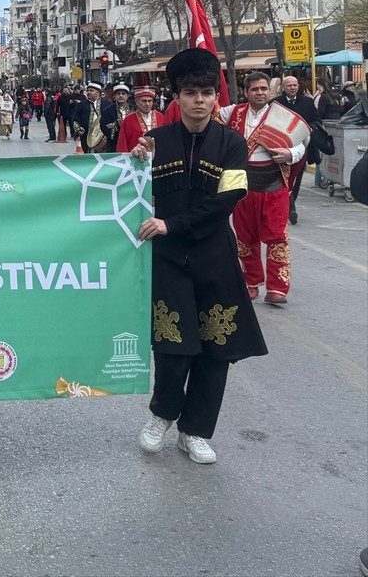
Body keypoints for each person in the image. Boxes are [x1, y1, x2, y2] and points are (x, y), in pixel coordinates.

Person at [130, 47, 267, 466]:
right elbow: (128, 190)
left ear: (215, 96)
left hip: (215, 259)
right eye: (190, 93)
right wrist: (134, 162)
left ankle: (195, 431)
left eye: (207, 93)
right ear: (176, 97)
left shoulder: (232, 144)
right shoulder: (157, 142)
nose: (199, 100)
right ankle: (162, 415)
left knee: (215, 349)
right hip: (168, 260)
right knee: (172, 345)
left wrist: (172, 224)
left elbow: (227, 200)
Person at [220, 72, 307, 306]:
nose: (260, 93)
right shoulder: (233, 113)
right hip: (243, 185)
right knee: (245, 237)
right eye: (255, 89)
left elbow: (301, 144)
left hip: (274, 185)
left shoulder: (282, 116)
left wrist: (289, 153)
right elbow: (210, 112)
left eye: (264, 89)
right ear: (246, 92)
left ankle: (277, 288)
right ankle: (250, 283)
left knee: (277, 237)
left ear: (270, 90)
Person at [272, 75, 322, 224]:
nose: (293, 88)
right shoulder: (276, 103)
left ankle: (290, 203)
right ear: (283, 87)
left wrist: (307, 128)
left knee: (297, 178)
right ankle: (290, 208)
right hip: (281, 147)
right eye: (289, 85)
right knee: (282, 178)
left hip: (302, 147)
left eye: (295, 85)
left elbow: (317, 120)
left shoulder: (307, 102)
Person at [72, 82, 118, 153]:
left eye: (91, 90)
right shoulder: (81, 105)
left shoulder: (108, 104)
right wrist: (78, 129)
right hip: (87, 137)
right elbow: (75, 118)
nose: (89, 92)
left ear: (98, 92)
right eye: (88, 90)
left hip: (104, 138)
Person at [117, 87, 166, 153]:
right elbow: (122, 144)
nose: (147, 104)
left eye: (150, 101)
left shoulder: (161, 117)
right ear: (136, 102)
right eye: (144, 101)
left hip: (159, 155)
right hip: (135, 156)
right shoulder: (128, 120)